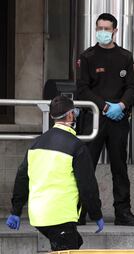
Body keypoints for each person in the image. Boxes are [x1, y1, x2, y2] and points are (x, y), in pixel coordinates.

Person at [5, 96, 104, 251]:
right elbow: (87, 186)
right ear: (71, 115)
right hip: (60, 217)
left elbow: (22, 177)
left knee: (74, 242)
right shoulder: (76, 146)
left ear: (51, 117)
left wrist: (16, 211)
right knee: (67, 245)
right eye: (74, 113)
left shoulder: (36, 144)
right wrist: (96, 214)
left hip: (38, 216)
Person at [76, 13, 134, 226]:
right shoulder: (87, 57)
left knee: (119, 167)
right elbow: (82, 89)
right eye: (99, 28)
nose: (102, 32)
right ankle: (79, 211)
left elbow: (132, 87)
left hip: (118, 119)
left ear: (115, 31)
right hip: (93, 118)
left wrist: (121, 105)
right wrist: (104, 106)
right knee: (85, 166)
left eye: (106, 28)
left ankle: (123, 212)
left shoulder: (125, 56)